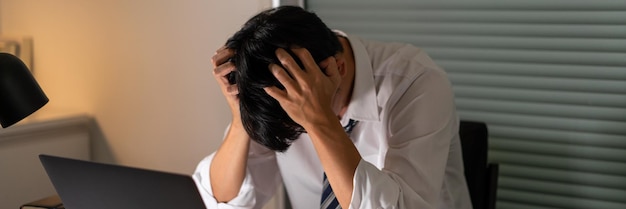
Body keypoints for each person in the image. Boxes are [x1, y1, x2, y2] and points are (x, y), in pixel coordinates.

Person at [193, 6, 472, 209]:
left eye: (298, 121)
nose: (297, 130)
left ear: (337, 69)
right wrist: (242, 116)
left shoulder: (417, 82)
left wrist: (319, 120)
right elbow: (222, 200)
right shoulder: (277, 87)